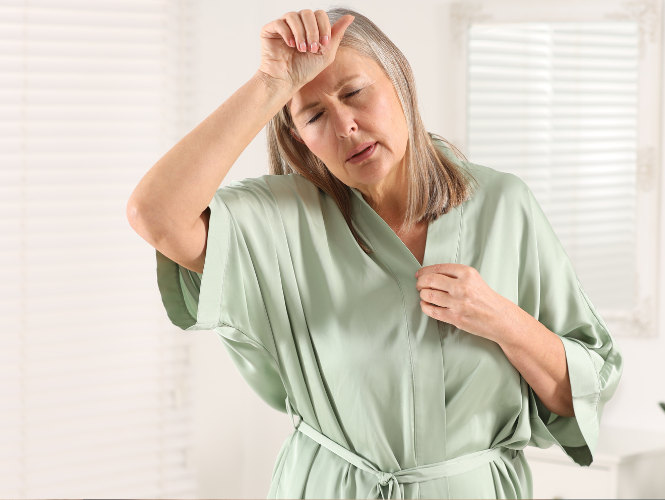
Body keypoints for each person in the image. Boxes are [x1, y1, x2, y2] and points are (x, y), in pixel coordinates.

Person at [127, 7, 623, 499]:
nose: (345, 126)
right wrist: (271, 82)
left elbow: (576, 394)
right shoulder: (280, 221)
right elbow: (156, 215)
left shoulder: (503, 204)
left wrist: (502, 319)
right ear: (299, 139)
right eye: (315, 115)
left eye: (355, 93)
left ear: (400, 81)